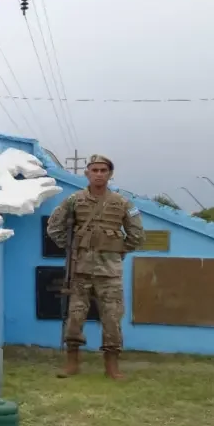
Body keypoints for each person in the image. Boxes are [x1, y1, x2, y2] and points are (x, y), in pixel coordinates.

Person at [46, 154, 144, 380]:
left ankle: (112, 367)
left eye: (103, 170)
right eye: (95, 170)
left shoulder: (123, 203)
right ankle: (72, 363)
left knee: (112, 319)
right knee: (75, 317)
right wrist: (71, 248)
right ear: (87, 173)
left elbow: (137, 235)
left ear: (110, 174)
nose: (99, 174)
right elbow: (54, 226)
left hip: (109, 274)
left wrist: (118, 251)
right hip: (79, 271)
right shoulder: (74, 200)